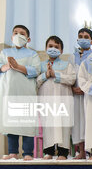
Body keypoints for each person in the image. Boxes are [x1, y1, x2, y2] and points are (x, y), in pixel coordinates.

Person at [0, 25, 41, 160]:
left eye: (22, 33)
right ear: (11, 37)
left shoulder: (32, 54)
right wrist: (7, 66)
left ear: (28, 39)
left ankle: (27, 153)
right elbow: (1, 68)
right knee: (12, 122)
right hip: (10, 92)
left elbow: (36, 70)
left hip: (26, 92)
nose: (18, 35)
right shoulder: (5, 52)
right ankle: (13, 152)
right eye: (15, 33)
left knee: (26, 122)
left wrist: (17, 66)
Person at [37, 36, 76, 160]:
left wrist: (56, 74)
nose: (53, 48)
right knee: (48, 124)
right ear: (45, 48)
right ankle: (48, 151)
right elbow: (36, 82)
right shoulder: (41, 65)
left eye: (56, 47)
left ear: (61, 50)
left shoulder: (67, 65)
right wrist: (46, 75)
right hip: (47, 100)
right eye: (50, 46)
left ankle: (63, 152)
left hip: (63, 99)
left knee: (63, 125)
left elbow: (72, 79)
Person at [68, 27, 92, 159]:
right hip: (74, 93)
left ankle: (90, 151)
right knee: (77, 122)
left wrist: (84, 88)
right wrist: (73, 87)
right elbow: (69, 73)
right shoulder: (72, 56)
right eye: (80, 36)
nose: (83, 39)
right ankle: (81, 151)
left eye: (86, 37)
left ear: (91, 40)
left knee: (87, 122)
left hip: (88, 94)